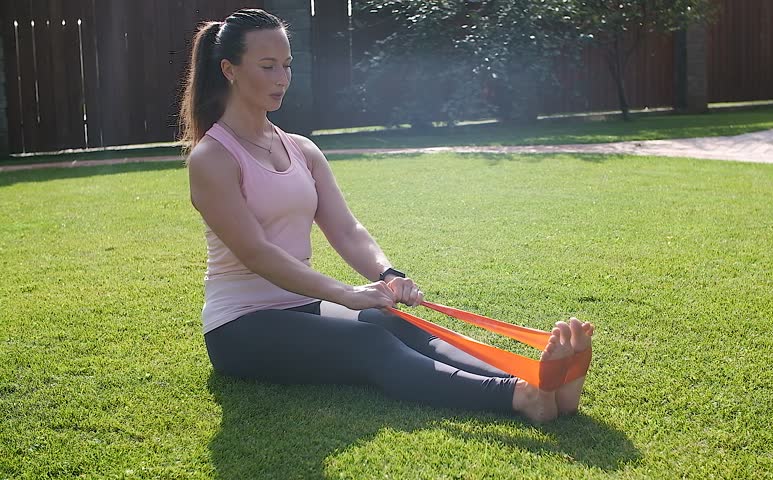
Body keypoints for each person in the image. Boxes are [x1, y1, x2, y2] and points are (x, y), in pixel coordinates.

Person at [180, 8, 594, 423]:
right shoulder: (213, 158)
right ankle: (518, 396)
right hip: (240, 327)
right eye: (267, 66)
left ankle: (539, 382)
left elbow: (345, 229)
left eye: (287, 65)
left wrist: (387, 274)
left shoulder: (301, 149)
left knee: (391, 322)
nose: (282, 78)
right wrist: (346, 293)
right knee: (367, 343)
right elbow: (256, 254)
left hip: (302, 308)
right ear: (229, 69)